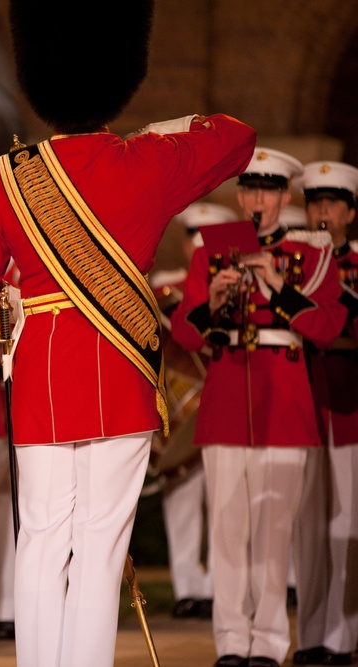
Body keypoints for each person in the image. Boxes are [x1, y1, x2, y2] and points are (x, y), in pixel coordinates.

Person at [0, 2, 257, 665]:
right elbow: (235, 135)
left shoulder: (12, 175)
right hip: (119, 372)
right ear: (121, 78)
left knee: (43, 538)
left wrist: (18, 312)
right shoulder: (149, 162)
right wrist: (159, 126)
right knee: (101, 541)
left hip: (42, 376)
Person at [171, 147, 347, 667]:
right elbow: (185, 331)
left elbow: (327, 327)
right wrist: (213, 301)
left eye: (267, 190)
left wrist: (278, 286)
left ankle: (268, 641)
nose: (256, 199)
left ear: (283, 197)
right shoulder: (210, 255)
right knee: (227, 531)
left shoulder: (311, 257)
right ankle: (230, 640)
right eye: (248, 189)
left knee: (273, 532)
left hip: (286, 401)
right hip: (228, 395)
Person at [148, 201, 237, 621]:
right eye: (192, 237)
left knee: (223, 504)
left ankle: (221, 586)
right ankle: (188, 588)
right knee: (182, 497)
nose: (198, 245)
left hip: (221, 403)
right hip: (183, 410)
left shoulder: (237, 282)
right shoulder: (167, 286)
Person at [291, 159, 358, 667]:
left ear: (350, 213)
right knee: (306, 527)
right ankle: (312, 636)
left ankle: (344, 637)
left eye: (332, 204)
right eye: (315, 202)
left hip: (350, 401)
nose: (321, 213)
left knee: (347, 524)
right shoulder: (296, 262)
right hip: (304, 400)